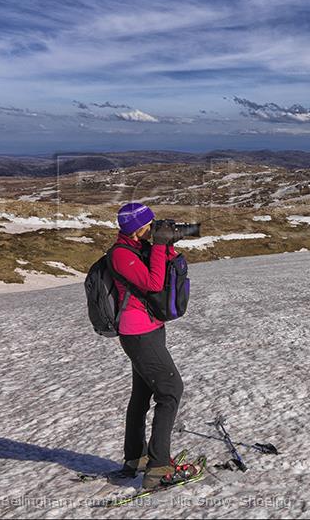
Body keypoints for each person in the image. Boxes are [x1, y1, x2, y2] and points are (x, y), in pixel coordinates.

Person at [111, 202, 197, 489]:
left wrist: (167, 244)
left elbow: (165, 267)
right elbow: (153, 283)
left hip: (149, 329)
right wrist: (159, 246)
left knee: (142, 393)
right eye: (149, 226)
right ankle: (158, 468)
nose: (152, 229)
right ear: (136, 229)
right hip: (138, 334)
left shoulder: (137, 248)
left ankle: (136, 458)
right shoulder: (122, 255)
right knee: (171, 390)